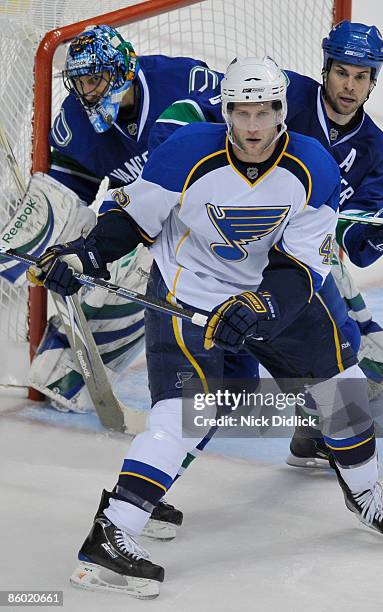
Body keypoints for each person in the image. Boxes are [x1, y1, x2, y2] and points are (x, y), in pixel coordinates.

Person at [31, 56, 383, 599]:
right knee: (187, 413)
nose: (252, 127)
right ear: (225, 112)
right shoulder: (184, 153)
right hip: (191, 293)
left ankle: (365, 491)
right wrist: (86, 255)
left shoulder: (314, 169)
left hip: (284, 296)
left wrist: (261, 307)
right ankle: (112, 534)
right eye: (240, 112)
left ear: (282, 112)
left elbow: (303, 264)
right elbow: (133, 221)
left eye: (264, 112)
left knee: (343, 391)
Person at [147, 21, 383, 468]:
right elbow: (191, 111)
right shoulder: (284, 95)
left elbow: (352, 244)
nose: (349, 86)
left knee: (339, 350)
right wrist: (164, 174)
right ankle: (155, 477)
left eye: (361, 76)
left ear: (373, 82)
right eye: (342, 73)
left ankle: (314, 435)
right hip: (219, 251)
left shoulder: (373, 148)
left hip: (290, 268)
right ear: (325, 69)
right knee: (218, 387)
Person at [10, 24, 220, 540]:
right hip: (167, 251)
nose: (88, 93)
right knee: (200, 398)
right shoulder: (80, 122)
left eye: (98, 80)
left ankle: (350, 447)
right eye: (79, 83)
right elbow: (65, 197)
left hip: (230, 232)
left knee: (315, 349)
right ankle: (137, 504)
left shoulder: (181, 83)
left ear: (124, 70)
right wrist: (25, 250)